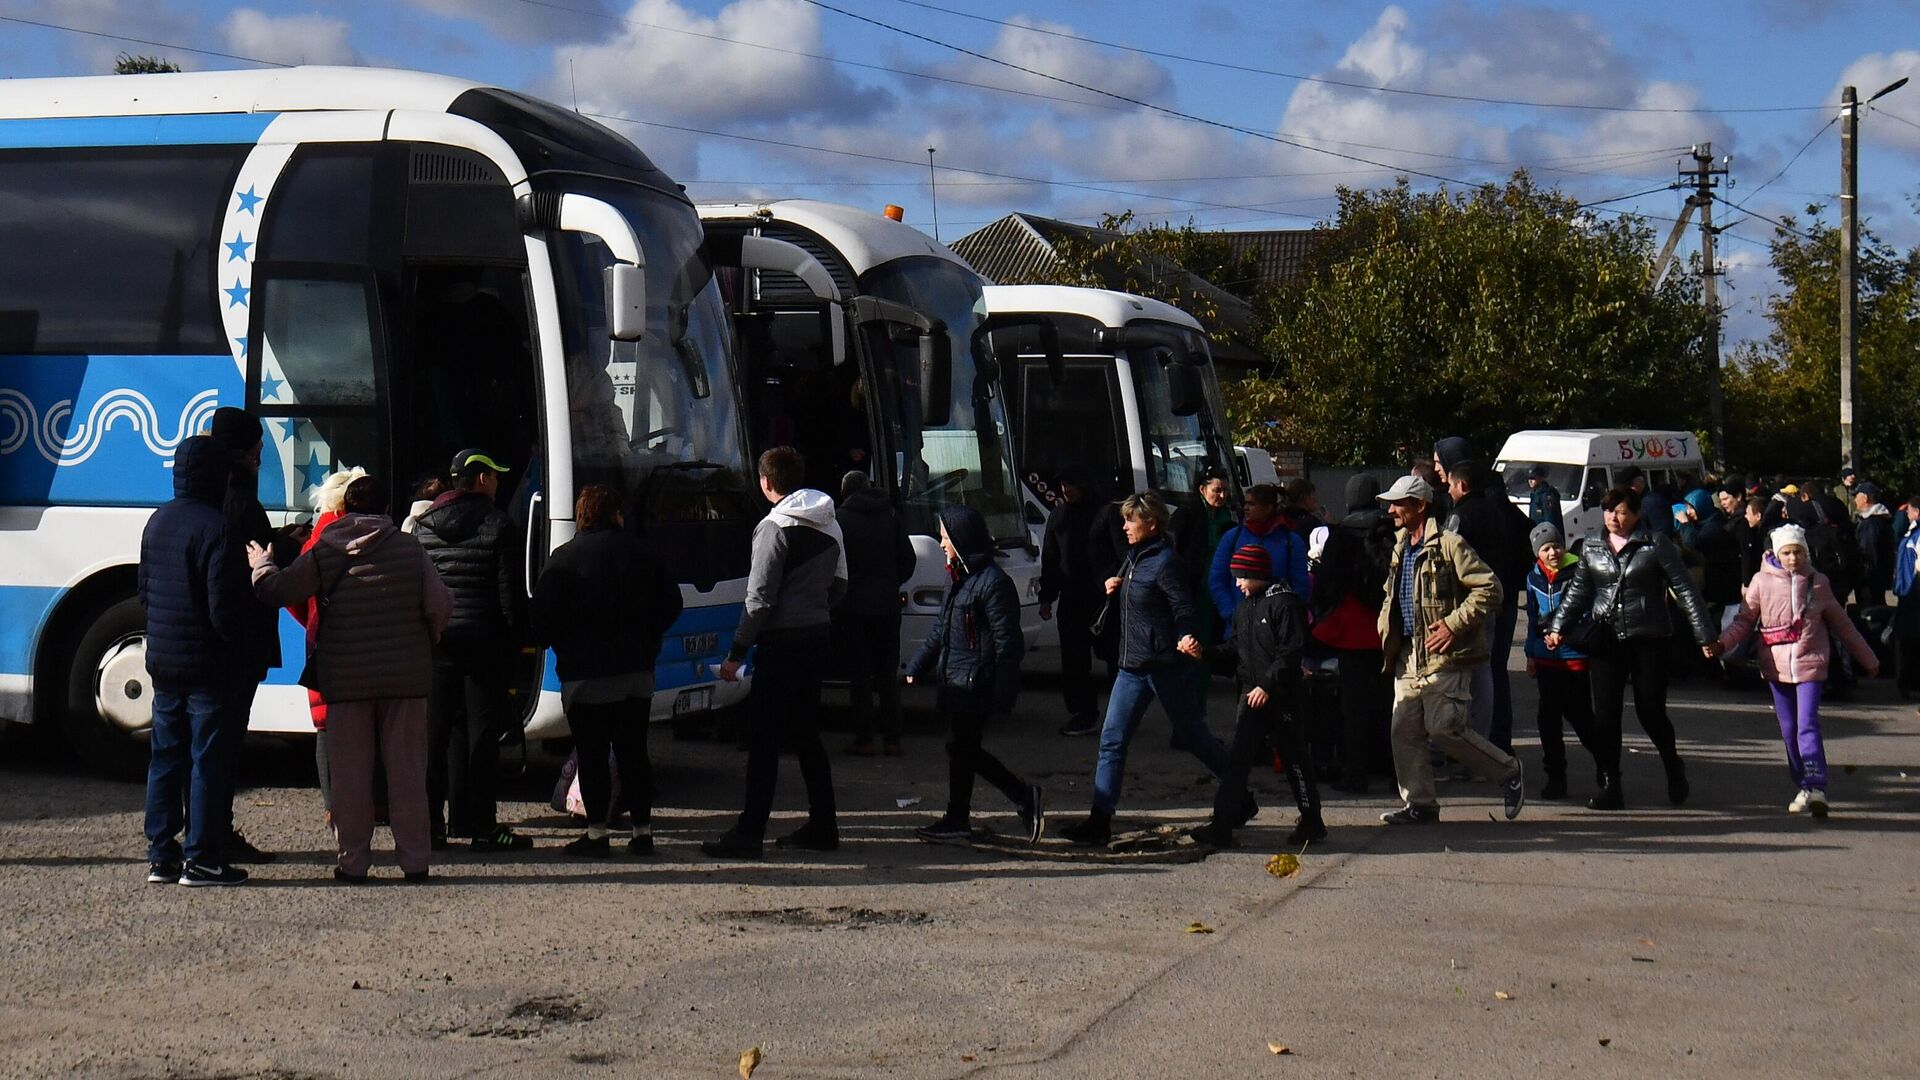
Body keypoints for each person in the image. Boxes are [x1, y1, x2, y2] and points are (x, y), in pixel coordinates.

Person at [248, 475, 452, 883]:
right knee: (408, 774)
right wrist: (423, 640)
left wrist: (261, 565)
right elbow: (439, 606)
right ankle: (414, 862)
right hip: (405, 679)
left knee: (350, 777)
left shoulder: (325, 551)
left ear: (344, 509)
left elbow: (281, 589)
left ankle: (353, 863)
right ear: (385, 507)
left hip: (345, 681)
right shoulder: (410, 549)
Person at [1059, 492, 1242, 847]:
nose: (1125, 526)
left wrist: (1186, 634)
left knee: (1193, 737)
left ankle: (1241, 796)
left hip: (1163, 667)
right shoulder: (1134, 558)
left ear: (1152, 524)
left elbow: (1181, 605)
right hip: (1131, 666)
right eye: (1124, 519)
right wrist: (1114, 585)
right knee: (1112, 740)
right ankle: (1100, 821)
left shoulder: (1164, 562)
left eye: (1131, 520)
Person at [702, 447, 848, 859]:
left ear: (766, 483)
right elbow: (840, 586)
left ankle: (750, 833)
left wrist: (736, 653)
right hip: (817, 636)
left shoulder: (774, 527)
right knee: (807, 735)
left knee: (764, 739)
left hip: (782, 642)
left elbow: (759, 600)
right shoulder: (829, 523)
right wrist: (813, 607)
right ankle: (824, 824)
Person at [530, 484, 683, 856]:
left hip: (585, 676)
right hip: (636, 671)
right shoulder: (644, 553)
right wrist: (649, 638)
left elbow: (543, 624)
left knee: (593, 755)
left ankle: (597, 834)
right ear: (615, 515)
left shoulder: (563, 559)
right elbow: (672, 604)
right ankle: (642, 832)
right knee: (634, 752)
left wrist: (563, 643)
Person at [138, 435, 261, 887]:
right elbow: (223, 608)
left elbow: (144, 591)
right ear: (218, 475)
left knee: (165, 758)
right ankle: (204, 858)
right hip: (209, 667)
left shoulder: (157, 521)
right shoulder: (219, 527)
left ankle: (161, 856)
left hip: (164, 662)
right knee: (207, 760)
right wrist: (241, 649)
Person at [1546, 486, 1715, 810]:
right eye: (1609, 511)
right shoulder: (1592, 546)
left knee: (1650, 711)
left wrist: (1704, 635)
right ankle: (1611, 784)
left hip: (1648, 638)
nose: (1614, 518)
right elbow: (1579, 592)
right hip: (1606, 639)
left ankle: (1672, 765)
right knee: (1606, 716)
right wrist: (1557, 628)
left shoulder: (1656, 545)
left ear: (1637, 514)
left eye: (1621, 512)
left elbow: (1686, 589)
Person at [1374, 474, 1526, 825]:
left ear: (1420, 506)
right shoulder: (1400, 547)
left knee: (1444, 728)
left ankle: (1508, 771)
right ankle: (1421, 804)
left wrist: (1453, 625)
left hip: (1444, 654)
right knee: (1404, 730)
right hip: (1408, 656)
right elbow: (1393, 597)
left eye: (1399, 503)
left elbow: (1490, 590)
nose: (1392, 510)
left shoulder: (1450, 545)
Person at [1715, 525, 1879, 818]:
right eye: (1787, 552)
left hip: (1811, 663)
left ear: (1806, 552)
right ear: (1777, 553)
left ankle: (1817, 786)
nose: (1793, 558)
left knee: (1807, 724)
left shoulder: (1818, 583)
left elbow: (1843, 626)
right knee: (1789, 730)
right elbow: (1744, 621)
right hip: (1775, 666)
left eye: (1798, 552)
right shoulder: (1761, 582)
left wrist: (1868, 659)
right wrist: (1721, 644)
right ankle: (1802, 784)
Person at [414, 449, 530, 853]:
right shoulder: (500, 525)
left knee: (434, 737)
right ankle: (482, 827)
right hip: (484, 648)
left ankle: (431, 829)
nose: (498, 483)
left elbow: (419, 594)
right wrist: (516, 647)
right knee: (482, 739)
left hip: (437, 647)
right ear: (480, 479)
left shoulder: (423, 527)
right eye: (495, 476)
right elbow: (508, 598)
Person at [905, 506, 1043, 843]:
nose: (941, 545)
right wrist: (918, 663)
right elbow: (942, 629)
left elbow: (1008, 642)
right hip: (959, 681)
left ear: (961, 540)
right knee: (961, 748)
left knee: (962, 748)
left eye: (944, 539)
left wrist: (1004, 689)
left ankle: (1008, 800)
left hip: (975, 683)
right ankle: (965, 816)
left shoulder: (992, 584)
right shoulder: (962, 580)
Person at [1187, 544, 1324, 848]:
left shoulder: (1284, 604)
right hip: (1251, 696)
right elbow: (1235, 650)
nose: (1237, 584)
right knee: (1238, 760)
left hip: (1282, 696)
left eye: (1241, 577)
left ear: (1256, 573)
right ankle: (1222, 824)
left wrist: (1267, 685)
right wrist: (1204, 655)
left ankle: (1311, 819)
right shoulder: (1245, 607)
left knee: (1295, 759)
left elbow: (1290, 653)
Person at [208, 407, 279, 865]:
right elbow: (250, 566)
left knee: (204, 744)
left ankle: (200, 832)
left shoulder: (207, 493)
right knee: (224, 744)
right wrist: (284, 548)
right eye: (257, 446)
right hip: (237, 643)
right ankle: (215, 835)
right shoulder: (241, 501)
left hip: (213, 644)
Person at [292, 466, 367, 833]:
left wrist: (311, 621)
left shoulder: (312, 544)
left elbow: (294, 597)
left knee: (325, 726)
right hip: (359, 646)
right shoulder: (366, 538)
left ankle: (332, 807)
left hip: (321, 645)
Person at [1310, 474, 1395, 793]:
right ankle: (1394, 772)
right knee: (1391, 703)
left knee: (1353, 705)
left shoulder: (1341, 534)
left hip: (1349, 627)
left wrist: (1322, 610)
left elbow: (1326, 581)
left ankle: (1355, 774)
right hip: (1386, 627)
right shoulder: (1389, 530)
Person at [1443, 459, 1531, 753]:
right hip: (1496, 602)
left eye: (1451, 484)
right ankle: (1486, 744)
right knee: (1488, 673)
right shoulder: (1501, 514)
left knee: (1466, 679)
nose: (1448, 489)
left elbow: (1447, 563)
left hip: (1468, 605)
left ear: (1462, 485)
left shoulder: (1460, 518)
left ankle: (1467, 746)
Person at [835, 471, 914, 756]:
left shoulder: (841, 520)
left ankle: (864, 739)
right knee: (887, 674)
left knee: (860, 676)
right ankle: (893, 739)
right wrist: (892, 583)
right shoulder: (890, 515)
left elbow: (835, 566)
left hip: (854, 608)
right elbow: (908, 560)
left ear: (846, 492)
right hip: (888, 607)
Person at [1523, 523, 1598, 801]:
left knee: (1581, 718)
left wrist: (1565, 634)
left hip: (1574, 656)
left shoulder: (1579, 572)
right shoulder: (1533, 578)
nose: (1553, 552)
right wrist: (1531, 653)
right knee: (1548, 720)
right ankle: (1556, 777)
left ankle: (1606, 767)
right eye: (1546, 548)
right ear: (1537, 554)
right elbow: (1533, 618)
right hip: (1546, 660)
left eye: (1556, 545)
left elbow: (1588, 612)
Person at [1039, 464, 1112, 737]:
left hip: (1103, 600)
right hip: (1071, 599)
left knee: (1115, 657)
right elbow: (1051, 560)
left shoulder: (1104, 514)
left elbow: (1118, 553)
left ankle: (1121, 714)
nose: (1065, 489)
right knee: (1073, 661)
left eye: (1070, 483)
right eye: (1062, 485)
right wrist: (1047, 597)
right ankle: (1083, 713)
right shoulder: (1058, 517)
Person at [1207, 484, 1309, 630]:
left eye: (1252, 504)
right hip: (1238, 628)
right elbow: (1217, 579)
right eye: (1245, 503)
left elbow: (1300, 585)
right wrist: (1232, 614)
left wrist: (1286, 617)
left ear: (1268, 508)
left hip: (1276, 628)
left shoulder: (1291, 541)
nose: (1246, 508)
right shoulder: (1232, 537)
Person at [1854, 483, 1896, 608]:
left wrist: (1865, 582)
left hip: (1871, 579)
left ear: (1865, 498)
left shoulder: (1870, 524)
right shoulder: (1882, 520)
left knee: (1870, 614)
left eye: (1857, 496)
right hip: (1880, 577)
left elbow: (1868, 553)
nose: (1855, 499)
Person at [1894, 502, 1920, 696]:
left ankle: (1909, 682)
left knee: (1911, 639)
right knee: (1906, 639)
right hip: (1907, 591)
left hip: (1914, 592)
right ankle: (1906, 681)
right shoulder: (1911, 533)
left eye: (1909, 510)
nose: (1907, 514)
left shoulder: (1916, 536)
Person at [1526, 465, 1565, 534]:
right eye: (1529, 478)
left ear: (1541, 478)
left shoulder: (1547, 495)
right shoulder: (1534, 494)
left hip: (1545, 536)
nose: (1530, 481)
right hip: (1537, 534)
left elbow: (1551, 521)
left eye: (1533, 478)